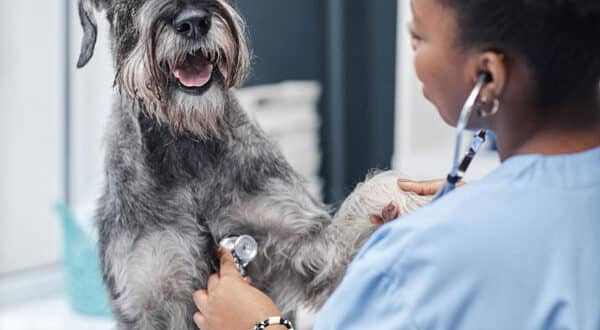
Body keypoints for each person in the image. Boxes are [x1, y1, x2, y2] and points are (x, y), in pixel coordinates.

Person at [192, 0, 600, 328]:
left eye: (419, 36)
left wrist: (259, 326)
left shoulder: (415, 263)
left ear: (486, 77)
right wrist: (500, 209)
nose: (411, 50)